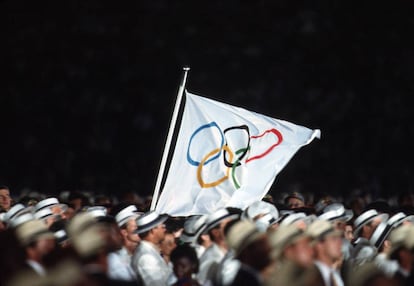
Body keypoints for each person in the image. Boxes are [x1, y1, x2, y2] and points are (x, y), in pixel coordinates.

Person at [131, 210, 173, 286]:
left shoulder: (150, 251)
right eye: (162, 226)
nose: (165, 229)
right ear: (153, 230)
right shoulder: (146, 257)